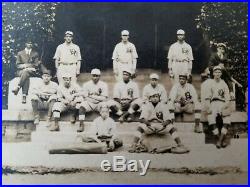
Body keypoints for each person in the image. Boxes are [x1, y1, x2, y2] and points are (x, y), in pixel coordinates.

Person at [205, 66, 231, 148]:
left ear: (221, 74)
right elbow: (207, 98)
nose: (217, 74)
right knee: (211, 118)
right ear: (213, 73)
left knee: (227, 120)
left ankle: (220, 140)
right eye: (216, 72)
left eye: (219, 72)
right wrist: (209, 107)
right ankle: (219, 138)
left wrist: (224, 107)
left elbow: (227, 98)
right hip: (213, 103)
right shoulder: (210, 83)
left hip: (222, 103)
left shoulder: (224, 83)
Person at [12, 39, 41, 104]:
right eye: (28, 43)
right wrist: (26, 66)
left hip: (32, 71)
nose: (30, 44)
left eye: (31, 43)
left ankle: (18, 87)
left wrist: (27, 67)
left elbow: (36, 65)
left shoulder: (35, 53)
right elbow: (17, 65)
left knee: (26, 72)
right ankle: (24, 96)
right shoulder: (20, 53)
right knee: (25, 74)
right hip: (21, 71)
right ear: (25, 44)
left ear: (32, 45)